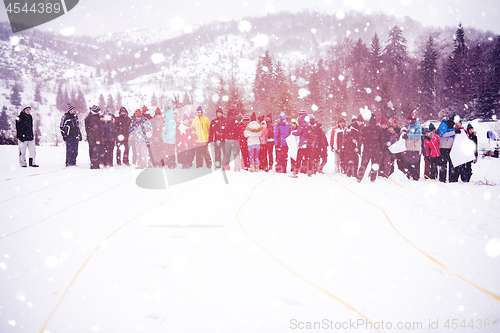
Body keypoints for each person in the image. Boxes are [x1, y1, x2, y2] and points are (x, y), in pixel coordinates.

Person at [356, 115, 384, 183]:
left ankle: (359, 178)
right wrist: (381, 150)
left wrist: (359, 149)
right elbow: (382, 141)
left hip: (367, 149)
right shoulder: (379, 129)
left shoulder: (364, 128)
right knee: (374, 165)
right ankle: (372, 179)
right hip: (376, 149)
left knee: (364, 164)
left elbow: (360, 139)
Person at [60, 103, 82, 167]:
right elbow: (61, 127)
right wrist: (64, 135)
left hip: (75, 135)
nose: (75, 111)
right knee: (69, 150)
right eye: (73, 110)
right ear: (70, 110)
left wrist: (79, 134)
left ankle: (73, 162)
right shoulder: (65, 117)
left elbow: (77, 126)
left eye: (75, 110)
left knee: (75, 150)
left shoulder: (75, 117)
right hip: (69, 136)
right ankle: (68, 162)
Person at [403, 110, 422, 181]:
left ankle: (415, 176)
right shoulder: (409, 126)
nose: (408, 122)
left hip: (415, 147)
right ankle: (409, 175)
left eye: (409, 120)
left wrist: (408, 136)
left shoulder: (418, 126)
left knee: (414, 163)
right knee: (408, 162)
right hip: (409, 147)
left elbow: (418, 135)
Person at [438, 115, 457, 182]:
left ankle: (452, 178)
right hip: (444, 147)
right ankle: (442, 178)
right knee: (443, 164)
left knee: (451, 164)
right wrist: (454, 132)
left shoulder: (451, 125)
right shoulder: (444, 124)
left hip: (450, 147)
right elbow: (443, 134)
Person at [85, 105, 103, 169]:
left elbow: (87, 128)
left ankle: (94, 164)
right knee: (96, 151)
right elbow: (95, 130)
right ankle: (95, 165)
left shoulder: (89, 117)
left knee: (93, 151)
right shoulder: (94, 118)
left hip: (91, 137)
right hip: (94, 138)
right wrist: (97, 139)